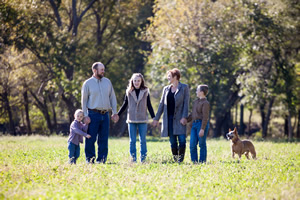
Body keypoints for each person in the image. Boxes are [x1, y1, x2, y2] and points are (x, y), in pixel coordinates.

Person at [81, 62, 119, 164]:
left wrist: (115, 112)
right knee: (91, 138)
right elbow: (84, 101)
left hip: (105, 115)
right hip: (92, 114)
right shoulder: (87, 83)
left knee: (103, 139)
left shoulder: (107, 82)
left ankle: (102, 160)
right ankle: (90, 160)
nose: (103, 71)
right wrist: (85, 116)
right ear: (94, 70)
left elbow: (112, 98)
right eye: (101, 69)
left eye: (103, 69)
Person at [152, 68, 190, 163]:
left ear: (176, 77)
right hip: (168, 119)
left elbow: (186, 104)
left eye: (169, 76)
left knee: (182, 140)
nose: (168, 78)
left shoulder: (184, 88)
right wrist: (156, 119)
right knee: (173, 141)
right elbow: (161, 105)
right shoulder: (166, 89)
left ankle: (180, 160)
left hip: (180, 118)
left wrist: (184, 117)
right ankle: (175, 159)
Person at [117, 73, 155, 163]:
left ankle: (143, 159)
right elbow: (125, 104)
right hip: (132, 119)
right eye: (135, 81)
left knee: (143, 141)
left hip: (142, 119)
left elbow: (149, 105)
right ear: (132, 81)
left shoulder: (146, 91)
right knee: (132, 141)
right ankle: (133, 159)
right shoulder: (129, 91)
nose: (136, 82)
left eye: (138, 80)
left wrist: (154, 117)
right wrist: (117, 114)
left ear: (141, 81)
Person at [187, 85, 210, 163]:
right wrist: (186, 120)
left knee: (201, 144)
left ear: (202, 92)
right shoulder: (196, 102)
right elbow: (193, 114)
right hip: (194, 125)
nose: (196, 92)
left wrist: (202, 129)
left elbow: (205, 117)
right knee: (192, 145)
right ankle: (194, 162)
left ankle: (202, 162)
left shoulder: (205, 103)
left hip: (201, 124)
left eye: (197, 90)